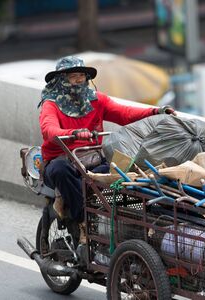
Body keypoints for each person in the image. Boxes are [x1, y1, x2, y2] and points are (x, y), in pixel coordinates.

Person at [38, 56, 175, 251]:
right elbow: (49, 130)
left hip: (91, 159)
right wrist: (73, 133)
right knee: (61, 170)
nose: (78, 80)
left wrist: (155, 112)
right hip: (62, 160)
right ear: (61, 80)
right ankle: (82, 222)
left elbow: (124, 113)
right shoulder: (51, 104)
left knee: (119, 173)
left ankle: (121, 224)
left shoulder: (97, 100)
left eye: (81, 76)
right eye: (72, 76)